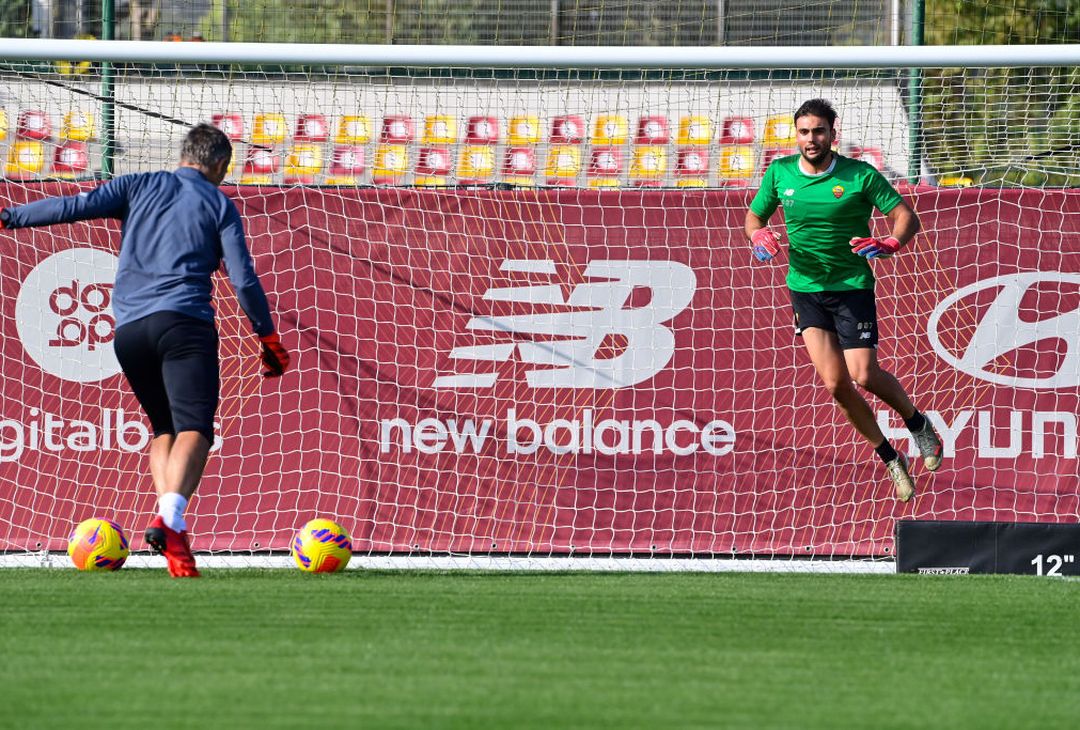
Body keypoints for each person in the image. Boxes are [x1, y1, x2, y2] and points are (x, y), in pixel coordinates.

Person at [0, 123, 290, 576]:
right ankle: (170, 521)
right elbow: (243, 279)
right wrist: (267, 337)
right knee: (197, 427)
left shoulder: (136, 184)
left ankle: (172, 534)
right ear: (218, 164)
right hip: (184, 325)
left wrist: (10, 217)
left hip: (129, 332)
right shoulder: (218, 202)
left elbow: (73, 207)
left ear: (183, 154)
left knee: (164, 428)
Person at [744, 98, 942, 502]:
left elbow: (907, 217)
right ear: (795, 134)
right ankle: (890, 458)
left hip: (851, 286)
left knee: (864, 375)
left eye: (818, 131)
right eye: (803, 132)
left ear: (833, 133)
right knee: (836, 384)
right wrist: (757, 235)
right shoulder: (780, 172)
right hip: (805, 288)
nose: (811, 139)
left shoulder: (859, 176)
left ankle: (918, 423)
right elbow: (754, 217)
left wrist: (890, 241)